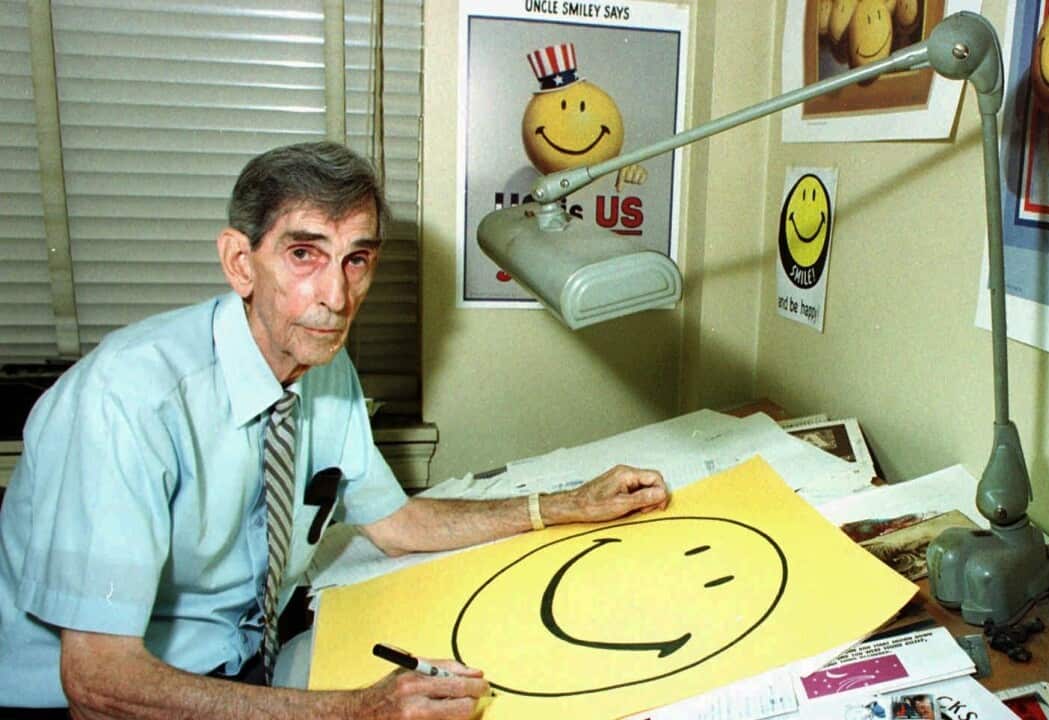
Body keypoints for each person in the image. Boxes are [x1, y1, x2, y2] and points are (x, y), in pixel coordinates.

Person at [0, 142, 669, 719]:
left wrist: (563, 506)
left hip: (244, 664)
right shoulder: (124, 401)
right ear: (240, 262)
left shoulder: (322, 363)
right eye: (304, 254)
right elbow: (98, 685)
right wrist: (353, 709)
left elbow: (398, 523)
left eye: (356, 260)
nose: (337, 297)